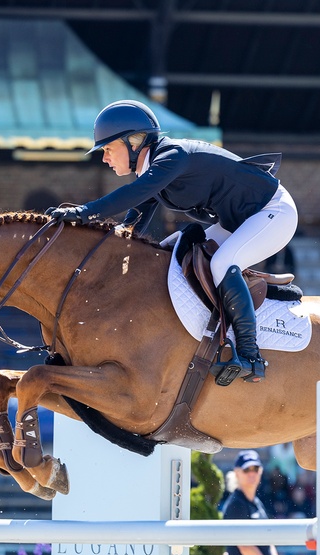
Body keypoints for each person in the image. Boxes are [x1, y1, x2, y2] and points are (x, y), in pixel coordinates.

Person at [46, 100, 298, 386]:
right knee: (172, 254)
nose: (104, 158)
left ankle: (250, 355)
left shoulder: (171, 157)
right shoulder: (156, 167)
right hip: (241, 220)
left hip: (274, 212)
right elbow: (133, 222)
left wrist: (82, 213)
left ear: (134, 142)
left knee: (222, 263)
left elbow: (131, 195)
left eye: (107, 149)